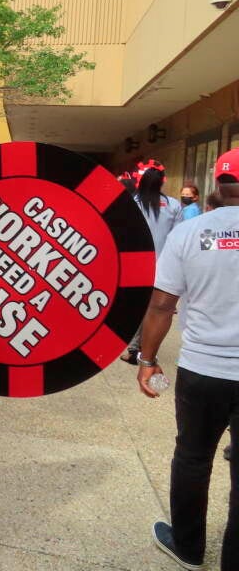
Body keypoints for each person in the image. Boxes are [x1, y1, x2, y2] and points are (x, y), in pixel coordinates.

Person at [135, 147, 239, 571]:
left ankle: (189, 547)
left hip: (203, 370)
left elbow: (162, 305)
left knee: (193, 457)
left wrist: (147, 358)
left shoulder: (190, 232)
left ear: (217, 184)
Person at [121, 159, 184, 364]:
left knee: (136, 307)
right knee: (156, 310)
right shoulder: (174, 205)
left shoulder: (131, 203)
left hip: (135, 264)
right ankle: (144, 350)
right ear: (162, 182)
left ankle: (135, 350)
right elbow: (178, 237)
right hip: (164, 266)